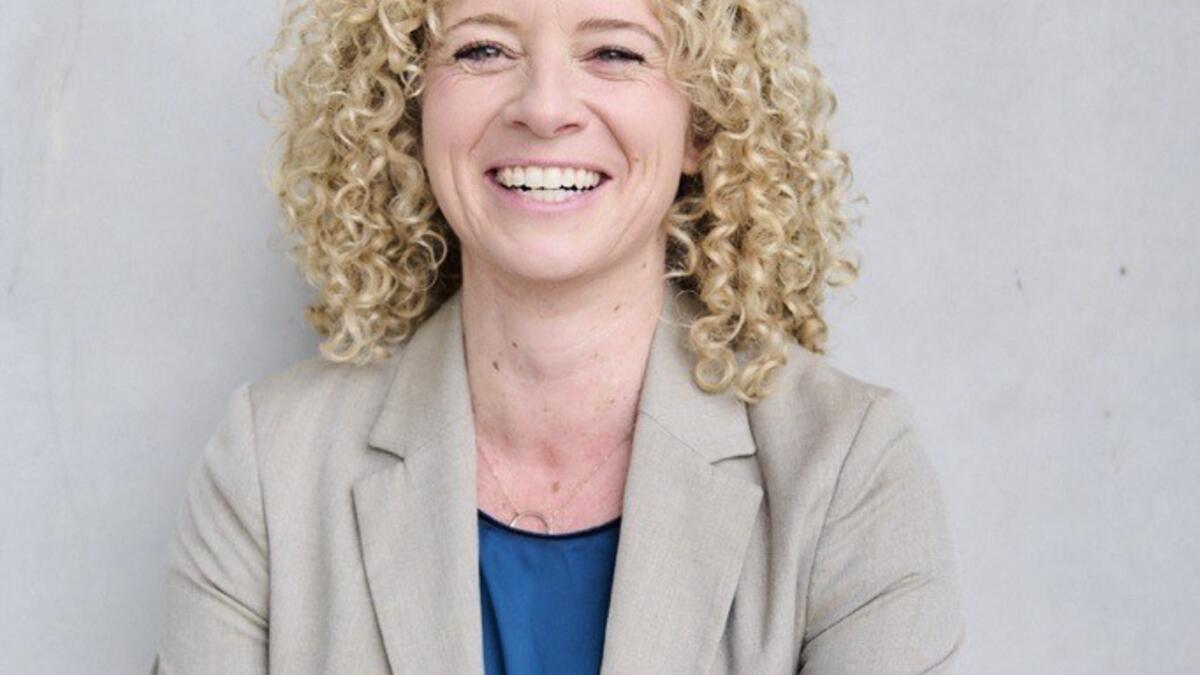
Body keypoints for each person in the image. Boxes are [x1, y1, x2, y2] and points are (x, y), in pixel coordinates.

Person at [152, 0, 964, 672]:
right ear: (409, 107)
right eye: (482, 49)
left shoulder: (848, 469)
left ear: (703, 124)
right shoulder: (270, 467)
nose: (543, 109)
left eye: (614, 52)